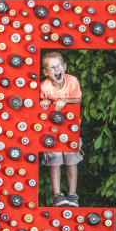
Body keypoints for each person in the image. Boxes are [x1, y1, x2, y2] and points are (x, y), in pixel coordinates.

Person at [39, 51, 83, 207]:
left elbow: (78, 100)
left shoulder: (72, 81)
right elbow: (40, 102)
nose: (56, 69)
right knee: (54, 160)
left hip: (70, 128)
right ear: (46, 72)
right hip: (51, 130)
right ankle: (57, 195)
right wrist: (44, 101)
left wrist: (65, 100)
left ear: (65, 67)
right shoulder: (44, 86)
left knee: (71, 160)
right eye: (52, 67)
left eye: (59, 65)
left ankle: (72, 194)